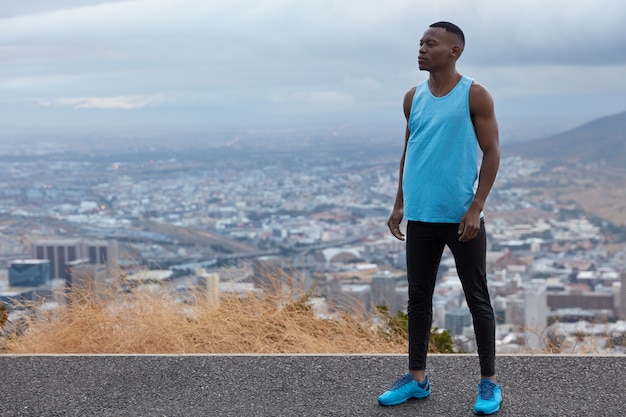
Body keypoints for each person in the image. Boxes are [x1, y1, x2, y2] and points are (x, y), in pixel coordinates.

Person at [377, 21, 502, 415]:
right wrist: (399, 204)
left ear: (454, 51)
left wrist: (476, 206)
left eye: (430, 44)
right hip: (421, 216)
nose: (421, 49)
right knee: (419, 298)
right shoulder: (412, 98)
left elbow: (492, 152)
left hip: (461, 217)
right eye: (420, 43)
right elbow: (408, 152)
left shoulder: (474, 95)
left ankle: (489, 383)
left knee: (476, 297)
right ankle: (417, 379)